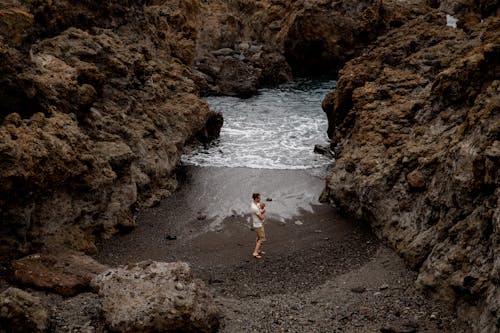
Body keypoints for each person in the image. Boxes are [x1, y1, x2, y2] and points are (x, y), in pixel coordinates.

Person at [251, 192, 266, 259]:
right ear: (256, 198)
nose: (260, 199)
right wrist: (264, 212)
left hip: (256, 224)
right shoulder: (255, 208)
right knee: (262, 239)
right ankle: (255, 252)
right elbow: (261, 217)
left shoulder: (255, 204)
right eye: (259, 198)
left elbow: (260, 206)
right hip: (258, 225)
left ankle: (258, 250)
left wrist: (262, 206)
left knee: (258, 237)